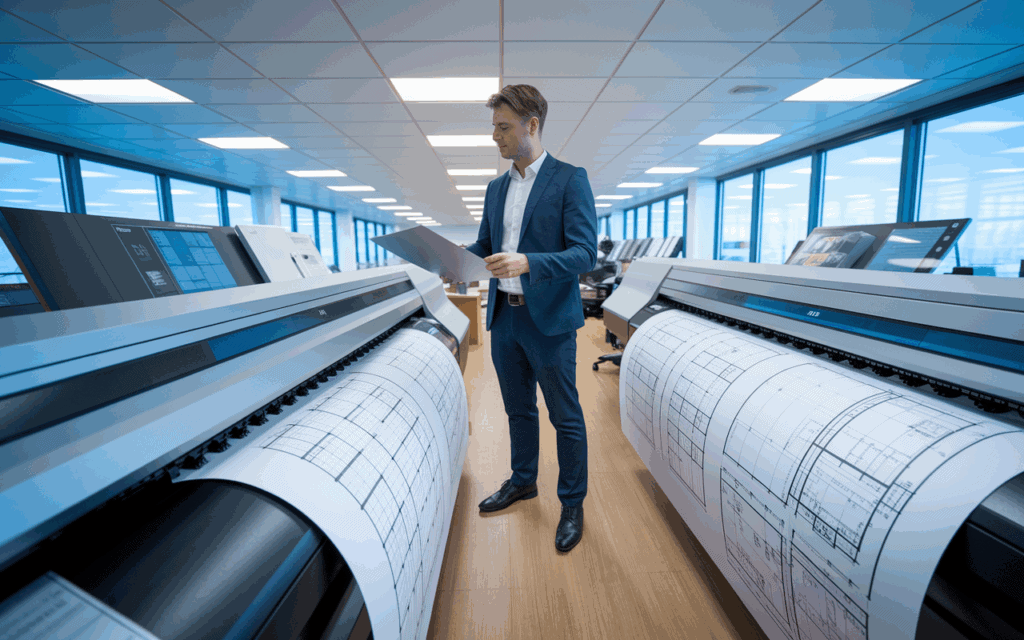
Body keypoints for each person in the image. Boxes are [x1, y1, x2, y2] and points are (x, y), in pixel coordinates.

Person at [464, 84, 597, 553]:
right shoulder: (496, 187)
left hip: (550, 322)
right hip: (505, 320)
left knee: (566, 417)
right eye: (494, 127)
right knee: (517, 410)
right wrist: (449, 258)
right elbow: (485, 245)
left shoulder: (569, 178)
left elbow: (585, 253)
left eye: (503, 127)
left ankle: (572, 503)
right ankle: (524, 481)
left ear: (531, 124)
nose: (495, 137)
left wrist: (529, 263)